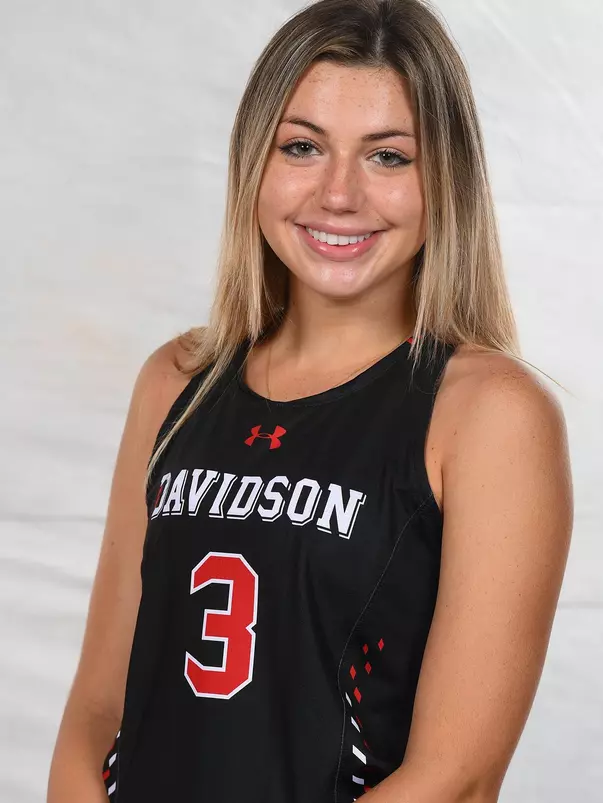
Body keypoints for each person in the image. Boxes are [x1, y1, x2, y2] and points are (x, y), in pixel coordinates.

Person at [47, 0, 573, 801]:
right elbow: (94, 711)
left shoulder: (488, 413)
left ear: (446, 178)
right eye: (302, 146)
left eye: (388, 157)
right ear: (253, 161)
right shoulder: (176, 381)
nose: (338, 194)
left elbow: (455, 779)